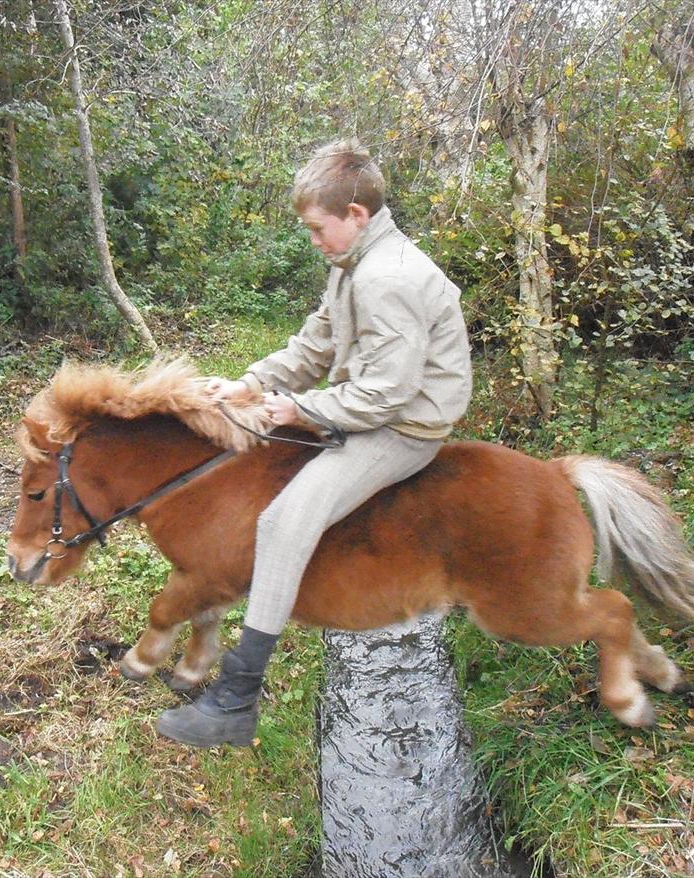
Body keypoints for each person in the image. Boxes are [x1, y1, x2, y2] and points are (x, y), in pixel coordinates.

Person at [155, 138, 473, 748]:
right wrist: (251, 386)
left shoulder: (388, 278)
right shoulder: (352, 265)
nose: (314, 240)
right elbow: (315, 346)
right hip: (363, 405)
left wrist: (300, 408)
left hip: (404, 428)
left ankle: (236, 701)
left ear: (356, 215)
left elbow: (386, 395)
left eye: (316, 228)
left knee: (281, 523)